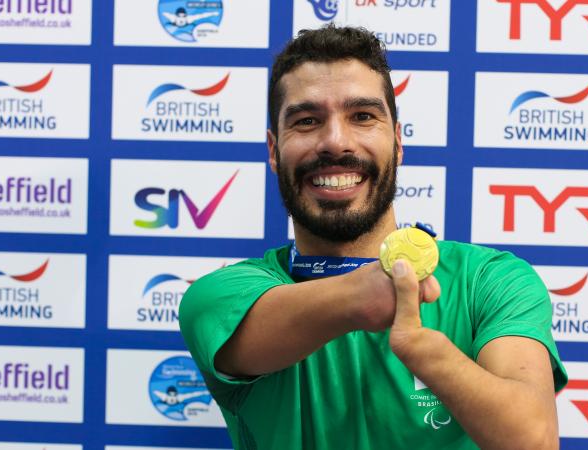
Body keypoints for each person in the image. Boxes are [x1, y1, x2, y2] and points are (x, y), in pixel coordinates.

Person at [179, 24, 567, 450]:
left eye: (362, 116)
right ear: (274, 151)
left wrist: (423, 349)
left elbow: (532, 440)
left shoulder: (491, 281)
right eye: (307, 121)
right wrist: (368, 291)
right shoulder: (220, 297)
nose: (334, 141)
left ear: (398, 143)